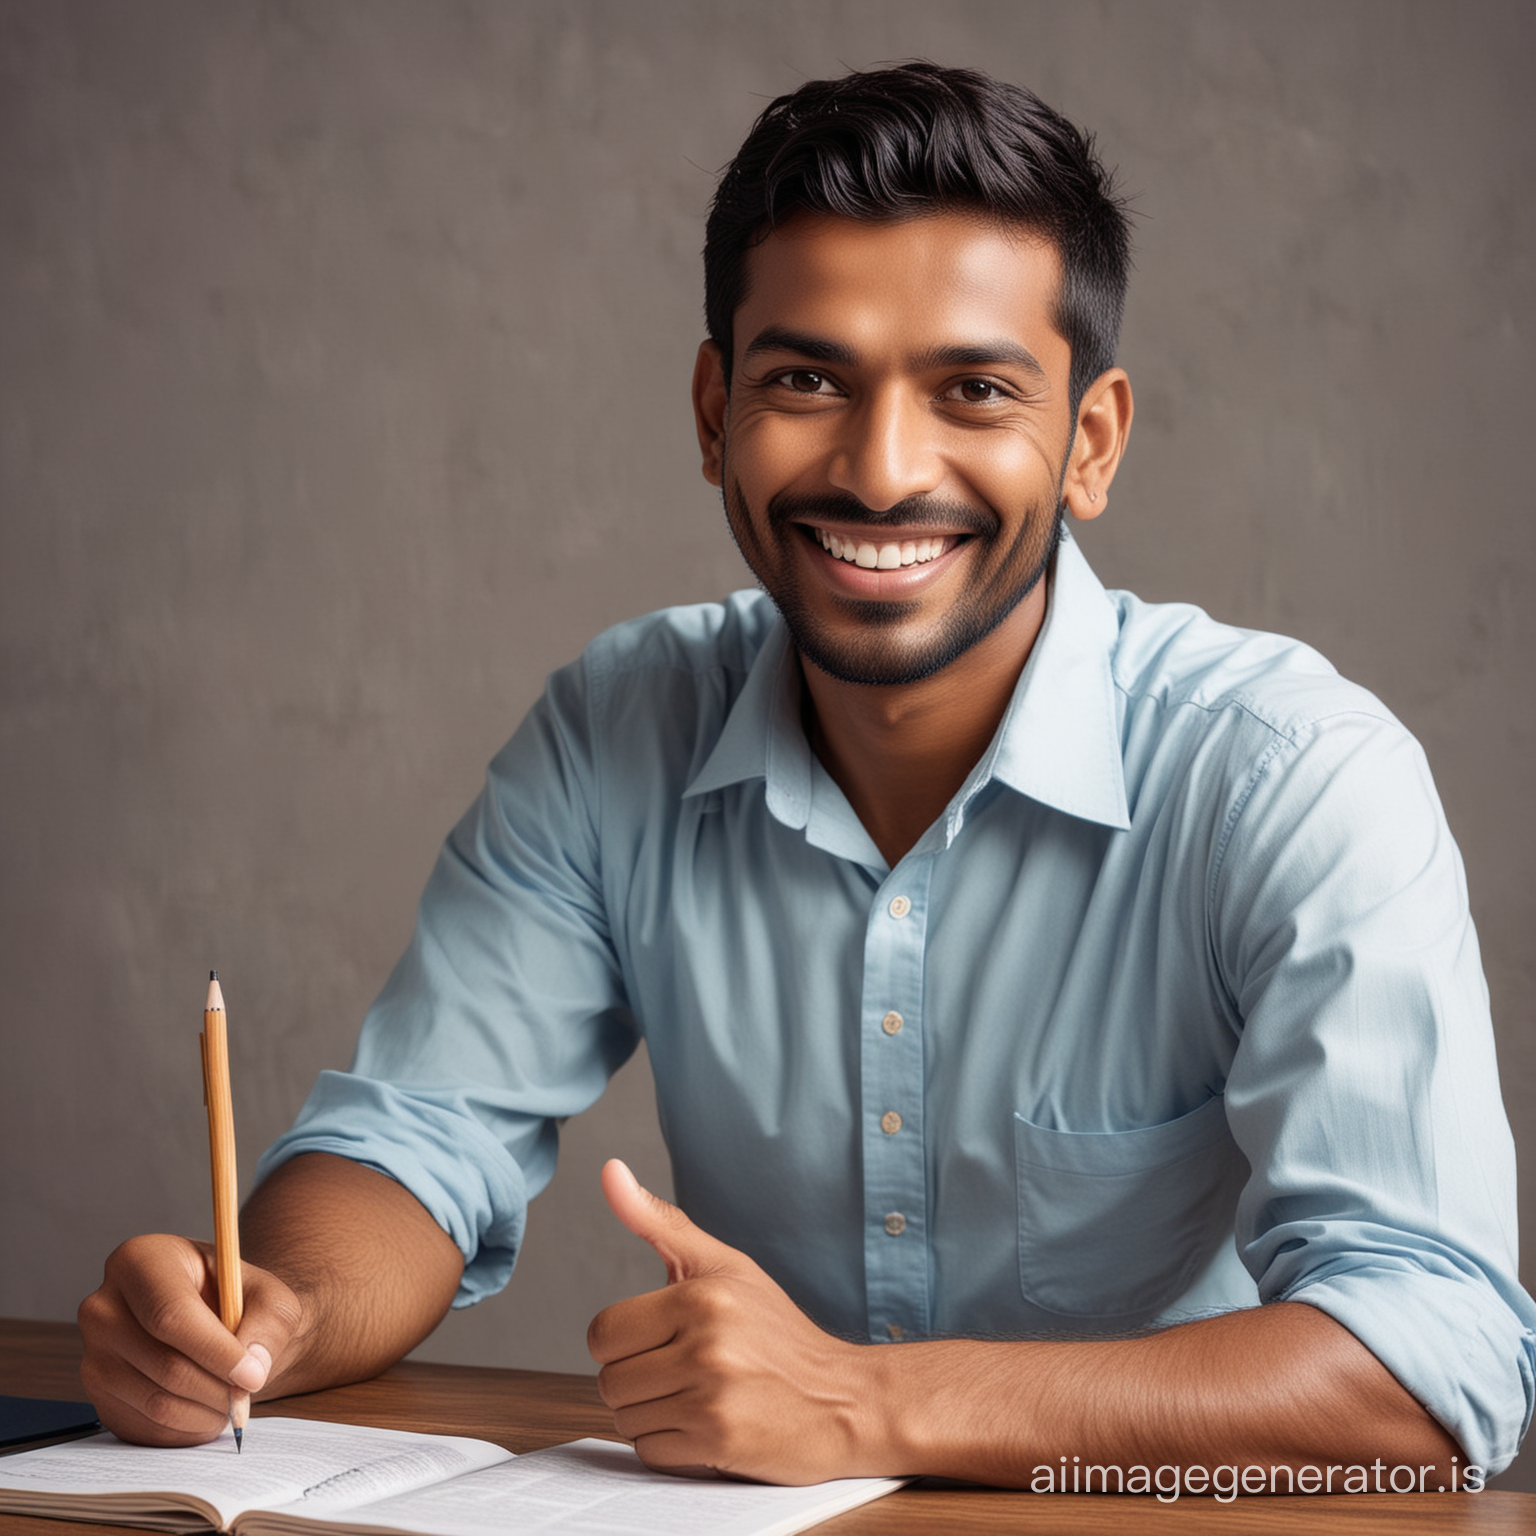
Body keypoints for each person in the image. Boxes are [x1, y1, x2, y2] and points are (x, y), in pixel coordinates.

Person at [79, 63, 1534, 1490]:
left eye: (973, 389)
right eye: (804, 379)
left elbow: (1435, 1353)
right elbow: (416, 1138)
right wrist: (272, 1315)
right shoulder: (615, 728)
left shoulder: (1290, 778)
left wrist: (861, 1403)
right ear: (715, 414)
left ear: (1088, 444)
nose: (884, 468)